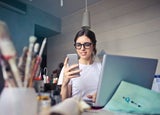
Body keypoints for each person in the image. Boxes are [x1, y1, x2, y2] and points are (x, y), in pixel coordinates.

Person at [58, 28, 101, 102]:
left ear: (93, 45)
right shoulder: (69, 68)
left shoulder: (101, 67)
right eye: (78, 45)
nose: (82, 48)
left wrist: (100, 96)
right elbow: (64, 101)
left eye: (87, 44)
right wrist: (65, 83)